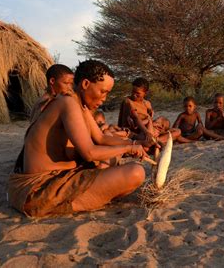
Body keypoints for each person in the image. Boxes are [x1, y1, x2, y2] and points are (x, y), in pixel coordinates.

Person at [8, 60, 148, 217]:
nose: (104, 98)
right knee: (136, 172)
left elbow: (100, 138)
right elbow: (89, 152)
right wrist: (128, 148)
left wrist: (136, 143)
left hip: (59, 177)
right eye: (103, 92)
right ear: (86, 84)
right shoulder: (67, 102)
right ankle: (65, 204)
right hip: (40, 188)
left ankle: (87, 195)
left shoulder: (78, 103)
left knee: (112, 159)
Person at [117, 77, 180, 146]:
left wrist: (153, 123)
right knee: (146, 138)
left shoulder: (147, 103)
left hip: (147, 130)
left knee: (177, 131)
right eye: (133, 91)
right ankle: (152, 141)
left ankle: (155, 140)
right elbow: (136, 118)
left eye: (137, 93)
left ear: (145, 93)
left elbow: (149, 118)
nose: (134, 95)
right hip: (134, 133)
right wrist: (147, 132)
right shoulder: (128, 101)